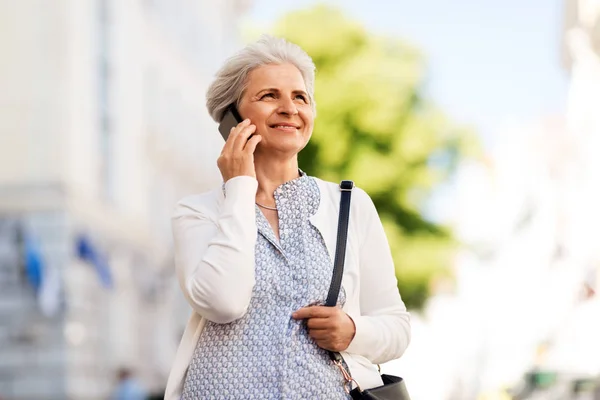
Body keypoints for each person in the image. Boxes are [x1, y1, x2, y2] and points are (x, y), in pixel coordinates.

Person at [165, 35, 411, 400]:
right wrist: (239, 189)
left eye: (300, 97)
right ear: (231, 118)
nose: (289, 108)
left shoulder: (350, 205)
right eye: (269, 96)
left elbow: (396, 326)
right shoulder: (198, 213)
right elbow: (223, 301)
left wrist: (352, 330)